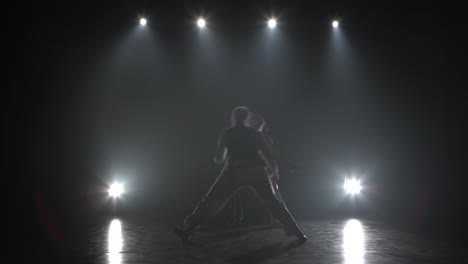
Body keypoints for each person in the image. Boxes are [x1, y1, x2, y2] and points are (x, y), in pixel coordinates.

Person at [174, 106, 306, 242]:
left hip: (235, 170)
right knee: (273, 204)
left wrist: (218, 156)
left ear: (233, 117)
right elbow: (268, 154)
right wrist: (274, 170)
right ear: (246, 118)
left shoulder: (228, 133)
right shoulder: (254, 134)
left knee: (211, 201)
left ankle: (188, 230)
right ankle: (298, 233)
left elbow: (218, 159)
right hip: (256, 170)